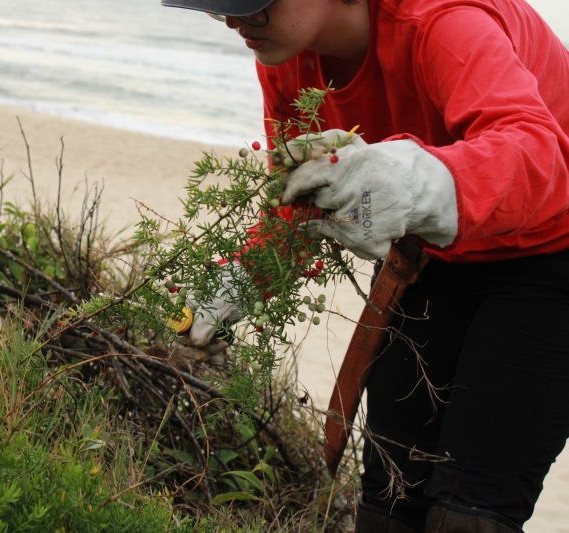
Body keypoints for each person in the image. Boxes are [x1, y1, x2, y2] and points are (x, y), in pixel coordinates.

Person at [160, 0, 569, 531]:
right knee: (386, 507)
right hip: (432, 254)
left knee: (469, 514)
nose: (238, 22)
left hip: (551, 255)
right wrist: (236, 281)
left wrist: (420, 180)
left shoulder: (443, 22)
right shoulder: (287, 53)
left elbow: (539, 156)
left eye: (255, 6)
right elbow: (301, 200)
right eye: (222, 8)